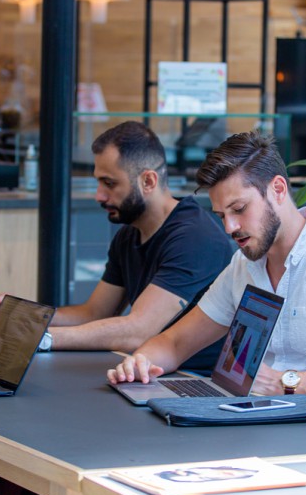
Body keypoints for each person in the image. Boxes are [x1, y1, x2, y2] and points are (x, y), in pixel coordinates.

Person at [108, 130, 306, 431]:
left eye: (239, 209)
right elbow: (175, 343)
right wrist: (142, 362)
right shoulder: (244, 265)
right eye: (221, 215)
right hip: (270, 429)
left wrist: (283, 382)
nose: (230, 227)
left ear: (277, 189)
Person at [45, 121, 235, 372]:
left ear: (148, 181)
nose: (99, 196)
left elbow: (138, 331)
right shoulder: (129, 235)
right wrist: (21, 316)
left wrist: (42, 338)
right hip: (146, 372)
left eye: (109, 183)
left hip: (192, 382)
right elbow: (94, 313)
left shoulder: (195, 239)